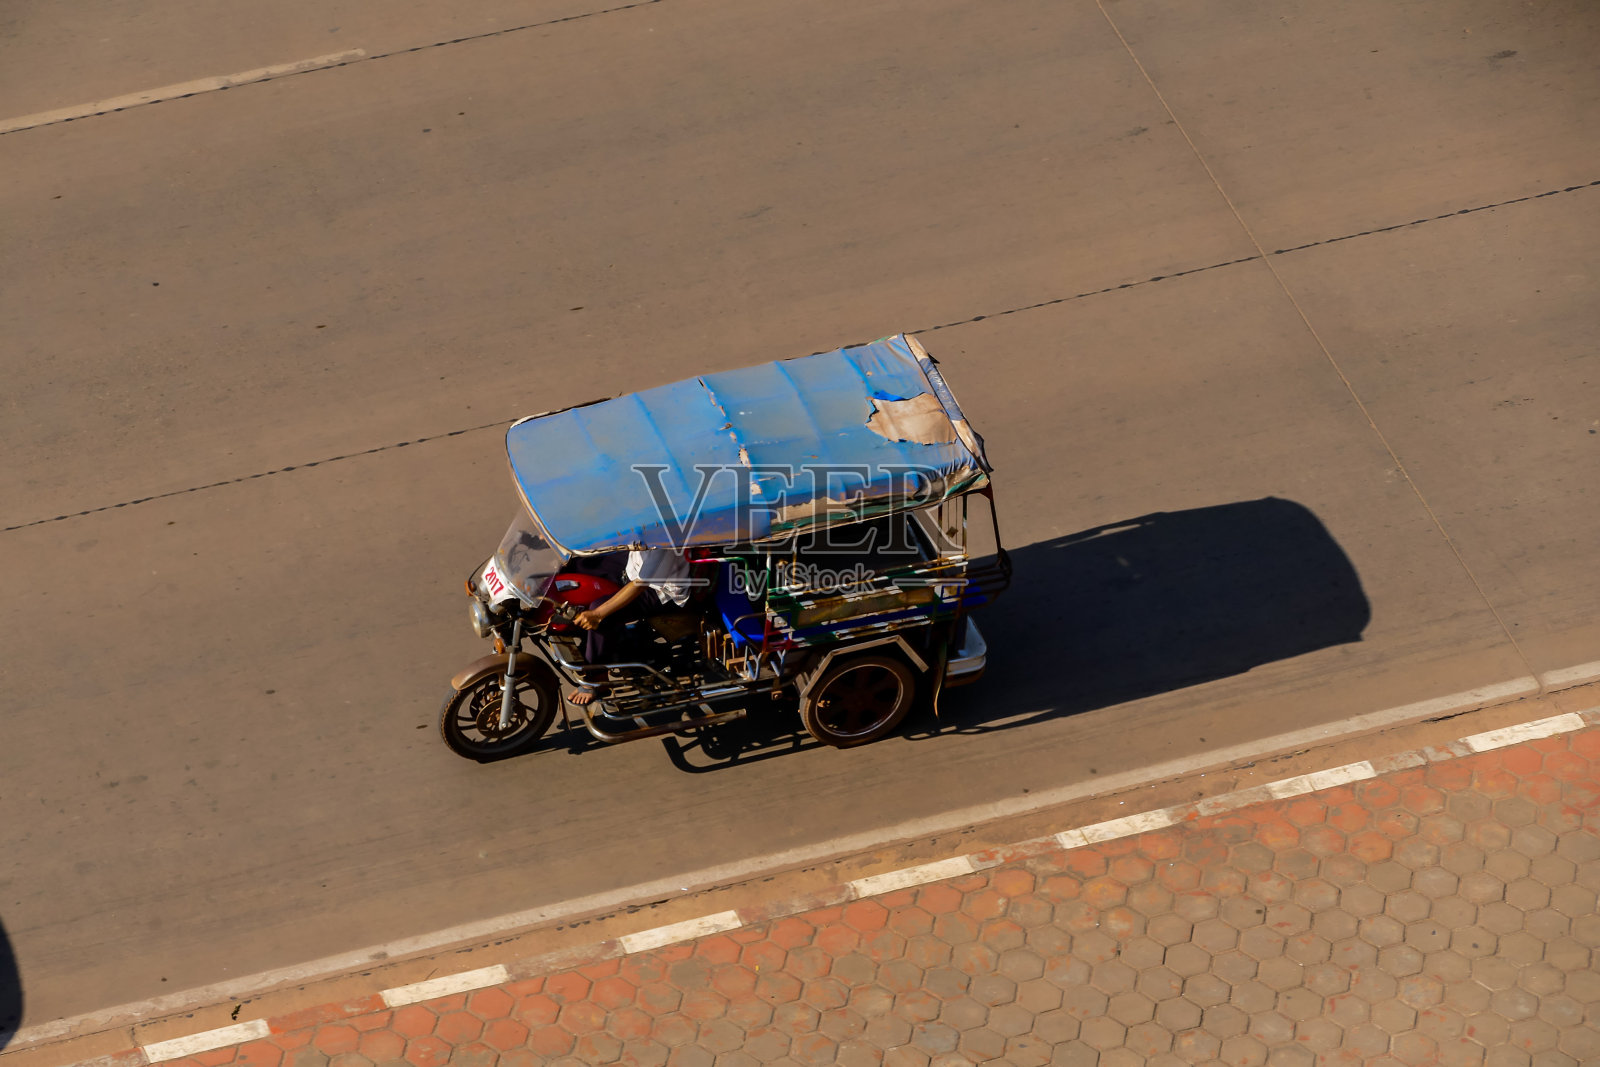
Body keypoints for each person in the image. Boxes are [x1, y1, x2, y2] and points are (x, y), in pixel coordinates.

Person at [569, 548, 694, 705]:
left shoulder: (666, 535)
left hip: (661, 589)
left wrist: (598, 614)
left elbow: (641, 583)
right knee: (576, 565)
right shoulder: (646, 524)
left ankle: (597, 679)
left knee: (601, 612)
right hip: (633, 562)